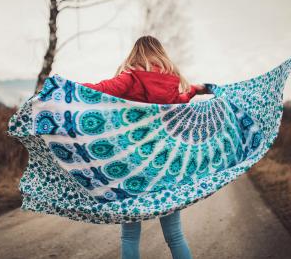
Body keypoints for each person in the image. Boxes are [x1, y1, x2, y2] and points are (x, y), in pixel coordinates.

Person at [81, 35, 208, 259]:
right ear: (159, 54)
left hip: (132, 164)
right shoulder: (171, 82)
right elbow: (181, 100)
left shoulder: (130, 77)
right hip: (165, 163)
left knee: (130, 235)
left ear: (135, 54)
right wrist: (195, 90)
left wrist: (65, 87)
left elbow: (99, 89)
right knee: (175, 234)